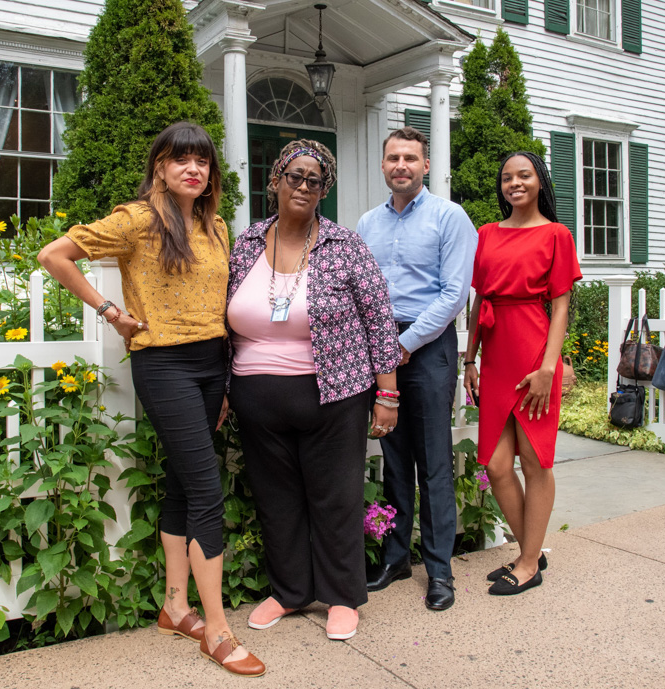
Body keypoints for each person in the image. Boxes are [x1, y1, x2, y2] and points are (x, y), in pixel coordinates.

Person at [37, 122, 265, 677]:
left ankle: (174, 606)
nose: (194, 169)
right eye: (181, 160)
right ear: (160, 167)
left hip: (213, 364)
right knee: (208, 491)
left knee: (186, 485)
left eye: (203, 162)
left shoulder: (214, 226)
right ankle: (217, 629)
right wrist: (110, 312)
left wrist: (228, 378)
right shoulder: (137, 219)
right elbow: (54, 255)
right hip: (164, 364)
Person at [225, 140, 401, 642]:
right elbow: (222, 317)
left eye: (315, 180)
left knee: (335, 497)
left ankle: (342, 596)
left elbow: (378, 317)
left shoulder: (344, 245)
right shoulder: (246, 243)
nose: (304, 186)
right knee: (277, 499)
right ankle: (289, 591)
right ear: (275, 180)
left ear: (324, 190)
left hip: (335, 392)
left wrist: (387, 394)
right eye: (295, 176)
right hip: (257, 397)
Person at [356, 127, 477, 611]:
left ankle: (440, 571)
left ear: (425, 166)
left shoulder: (450, 217)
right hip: (382, 348)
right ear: (383, 166)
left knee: (434, 462)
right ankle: (395, 556)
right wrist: (380, 347)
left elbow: (454, 294)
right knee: (393, 458)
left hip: (427, 348)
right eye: (392, 158)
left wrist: (402, 344)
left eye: (410, 158)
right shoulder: (367, 223)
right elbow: (362, 290)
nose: (400, 165)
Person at [462, 151, 581, 596]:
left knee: (535, 461)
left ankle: (529, 561)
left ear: (539, 182)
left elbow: (562, 305)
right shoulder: (487, 234)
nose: (514, 183)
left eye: (524, 175)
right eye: (506, 176)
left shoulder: (556, 234)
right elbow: (478, 301)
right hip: (494, 355)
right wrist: (469, 358)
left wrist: (549, 367)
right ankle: (530, 550)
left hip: (533, 351)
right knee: (495, 465)